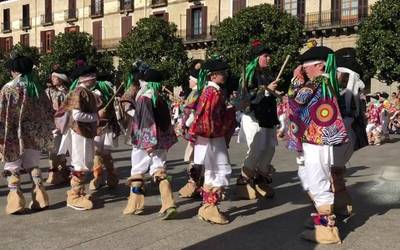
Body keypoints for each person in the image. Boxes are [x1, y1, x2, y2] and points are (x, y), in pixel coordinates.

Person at [287, 46, 348, 244]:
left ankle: (326, 229)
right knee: (318, 176)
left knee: (317, 179)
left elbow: (296, 101)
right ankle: (323, 220)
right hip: (322, 137)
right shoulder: (327, 81)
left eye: (307, 68)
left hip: (315, 137)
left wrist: (295, 81)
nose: (305, 72)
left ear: (320, 66)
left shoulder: (318, 81)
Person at [0, 55, 54, 214]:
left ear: (13, 70)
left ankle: (15, 201)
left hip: (12, 133)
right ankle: (41, 198)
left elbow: (2, 113)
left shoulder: (8, 88)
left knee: (12, 166)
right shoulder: (36, 87)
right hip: (34, 132)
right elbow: (48, 110)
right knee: (33, 165)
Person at [123, 68, 178, 220]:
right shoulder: (159, 97)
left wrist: (148, 142)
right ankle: (169, 204)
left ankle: (136, 205)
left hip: (144, 140)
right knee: (159, 169)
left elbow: (146, 120)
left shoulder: (144, 97)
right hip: (160, 140)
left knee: (138, 170)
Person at [189, 58, 234, 224]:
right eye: (223, 73)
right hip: (212, 137)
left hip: (210, 137)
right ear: (214, 76)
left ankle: (208, 207)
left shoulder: (211, 91)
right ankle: (210, 208)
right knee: (218, 170)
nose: (226, 76)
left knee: (212, 171)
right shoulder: (212, 92)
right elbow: (207, 117)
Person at [235, 40, 279, 200]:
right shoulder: (249, 75)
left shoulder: (269, 74)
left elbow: (268, 93)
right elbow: (245, 97)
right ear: (257, 58)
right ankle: (243, 182)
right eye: (266, 56)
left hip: (267, 116)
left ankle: (260, 179)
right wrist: (266, 90)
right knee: (256, 148)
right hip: (253, 116)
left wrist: (274, 92)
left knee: (270, 148)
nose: (269, 59)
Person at [59, 65, 99, 211]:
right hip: (79, 132)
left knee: (85, 162)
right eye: (93, 75)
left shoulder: (85, 91)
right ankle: (74, 196)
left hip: (85, 132)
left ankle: (79, 191)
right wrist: (95, 117)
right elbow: (77, 115)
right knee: (80, 164)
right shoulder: (79, 92)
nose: (95, 78)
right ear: (87, 78)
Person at [178, 60, 205, 198]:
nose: (188, 80)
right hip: (199, 130)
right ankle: (198, 184)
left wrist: (185, 124)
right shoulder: (199, 92)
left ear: (195, 80)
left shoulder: (195, 93)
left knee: (194, 158)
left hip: (194, 130)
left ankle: (194, 184)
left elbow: (192, 114)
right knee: (197, 157)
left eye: (190, 79)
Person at [89, 74, 120, 190]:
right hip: (95, 127)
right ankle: (98, 177)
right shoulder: (90, 94)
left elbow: (110, 112)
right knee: (97, 153)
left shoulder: (106, 96)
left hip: (107, 126)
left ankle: (112, 176)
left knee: (106, 153)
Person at [45, 70, 70, 185]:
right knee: (54, 146)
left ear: (61, 79)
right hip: (54, 122)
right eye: (52, 77)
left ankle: (61, 170)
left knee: (61, 146)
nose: (52, 79)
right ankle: (54, 172)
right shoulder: (50, 91)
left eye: (55, 77)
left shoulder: (66, 91)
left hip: (64, 122)